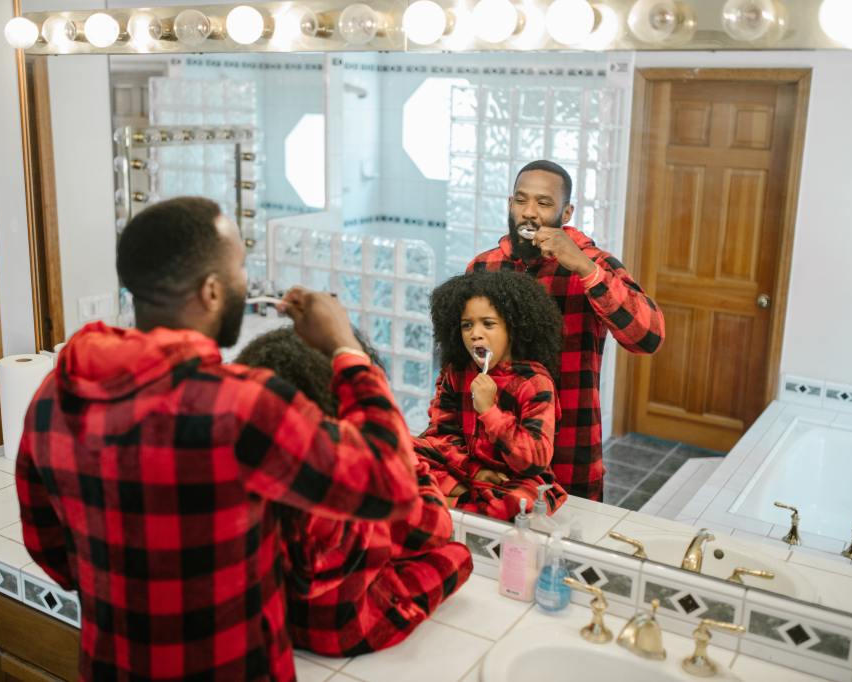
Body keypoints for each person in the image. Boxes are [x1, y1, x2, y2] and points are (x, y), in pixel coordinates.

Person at [15, 197, 421, 681]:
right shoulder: (241, 408)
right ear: (211, 291)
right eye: (240, 269)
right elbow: (391, 485)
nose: (246, 284)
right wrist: (345, 349)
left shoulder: (55, 393)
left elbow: (49, 550)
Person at [235, 327, 473, 656]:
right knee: (457, 556)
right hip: (342, 629)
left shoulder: (242, 461)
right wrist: (405, 463)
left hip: (274, 618)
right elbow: (433, 529)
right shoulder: (349, 480)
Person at [468, 160, 665, 502]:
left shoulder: (594, 264)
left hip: (569, 449)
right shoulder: (484, 267)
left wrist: (584, 268)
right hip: (496, 451)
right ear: (510, 203)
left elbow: (648, 338)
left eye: (544, 203)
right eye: (520, 200)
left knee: (569, 552)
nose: (529, 212)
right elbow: (463, 366)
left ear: (567, 211)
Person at [414, 270, 568, 520]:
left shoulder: (535, 383)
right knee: (400, 453)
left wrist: (490, 412)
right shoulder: (456, 373)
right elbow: (441, 434)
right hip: (465, 469)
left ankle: (455, 501)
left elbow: (534, 460)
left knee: (519, 503)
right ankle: (472, 501)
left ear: (514, 328)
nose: (475, 333)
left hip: (516, 478)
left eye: (488, 323)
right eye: (467, 325)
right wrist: (474, 471)